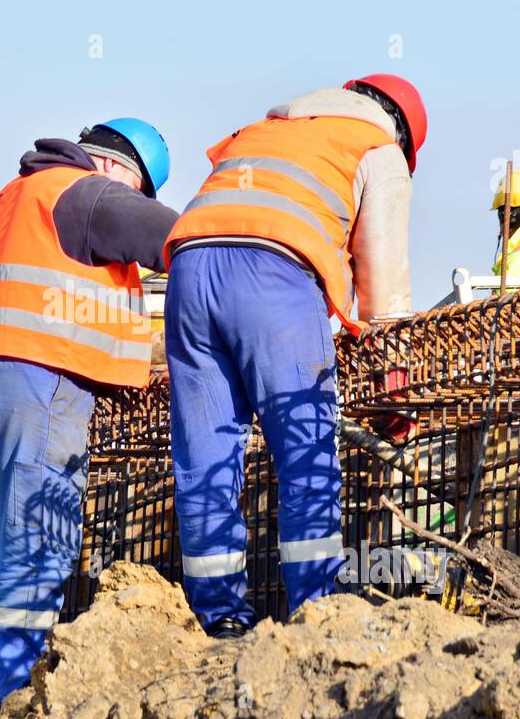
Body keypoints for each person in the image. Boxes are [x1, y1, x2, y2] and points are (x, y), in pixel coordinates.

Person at [161, 74, 427, 638]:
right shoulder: (378, 149)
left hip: (187, 268)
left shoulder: (264, 130)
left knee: (205, 461)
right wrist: (395, 394)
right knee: (305, 449)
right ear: (403, 132)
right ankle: (316, 616)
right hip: (274, 274)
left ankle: (222, 623)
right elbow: (385, 296)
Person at [0, 119, 179, 706]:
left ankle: (10, 686)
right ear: (116, 169)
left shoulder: (18, 194)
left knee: (11, 545)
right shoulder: (87, 191)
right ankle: (18, 695)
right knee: (40, 542)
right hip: (38, 380)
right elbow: (182, 237)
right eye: (135, 188)